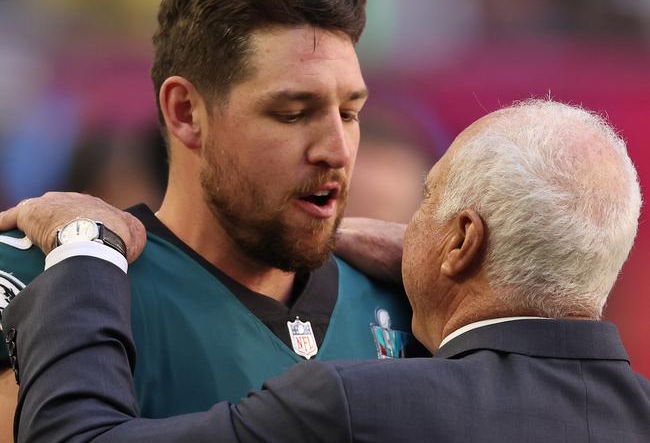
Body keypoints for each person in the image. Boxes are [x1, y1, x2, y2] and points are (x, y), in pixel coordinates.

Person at [5, 99, 649, 442]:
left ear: (462, 243)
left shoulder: (356, 403)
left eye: (427, 201)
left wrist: (87, 249)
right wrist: (445, 268)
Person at [0, 0, 419, 437]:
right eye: (292, 113)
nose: (337, 151)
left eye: (348, 113)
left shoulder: (407, 295)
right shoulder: (59, 285)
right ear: (185, 113)